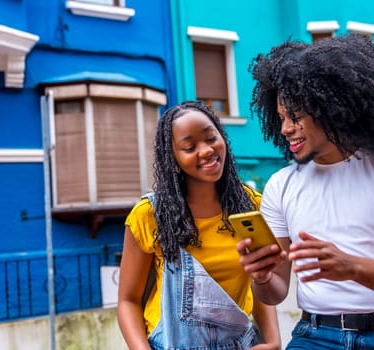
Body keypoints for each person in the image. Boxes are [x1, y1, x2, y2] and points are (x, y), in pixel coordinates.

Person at [236, 35, 374, 350]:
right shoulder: (281, 185)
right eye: (280, 118)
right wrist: (262, 277)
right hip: (314, 335)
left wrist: (351, 267)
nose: (285, 129)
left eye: (295, 116)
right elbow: (276, 292)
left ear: (330, 107)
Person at [117, 100, 281, 349]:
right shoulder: (150, 215)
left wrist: (273, 341)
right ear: (173, 159)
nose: (205, 151)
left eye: (210, 138)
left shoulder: (251, 206)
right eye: (189, 146)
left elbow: (261, 278)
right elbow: (128, 301)